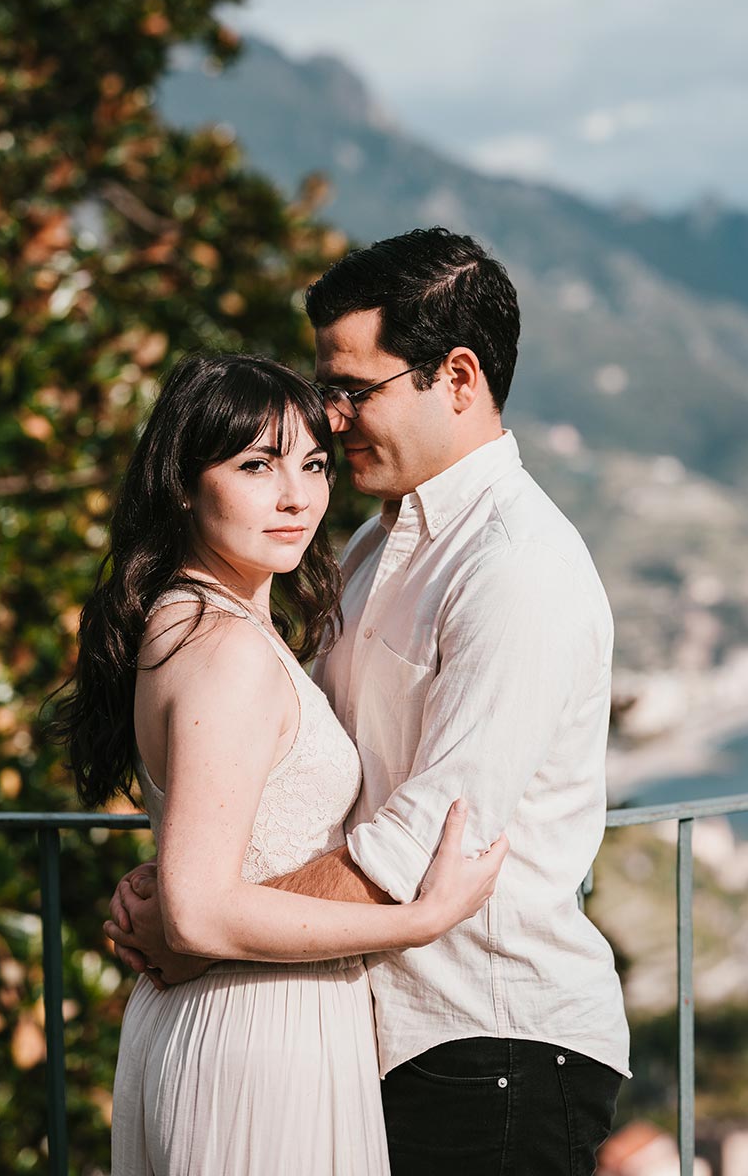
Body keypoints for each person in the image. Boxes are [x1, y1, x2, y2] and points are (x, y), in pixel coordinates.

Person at [107, 228, 631, 1176]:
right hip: (365, 1039)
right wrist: (200, 904)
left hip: (488, 1039)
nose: (332, 421)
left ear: (458, 377)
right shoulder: (368, 550)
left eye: (353, 391)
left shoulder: (515, 568)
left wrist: (203, 930)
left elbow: (425, 841)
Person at [59, 351, 508, 1176]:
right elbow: (196, 915)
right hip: (256, 1034)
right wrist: (418, 921)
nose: (297, 496)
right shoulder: (223, 645)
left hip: (236, 1023)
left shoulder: (190, 618)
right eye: (256, 466)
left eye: (312, 464)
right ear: (186, 484)